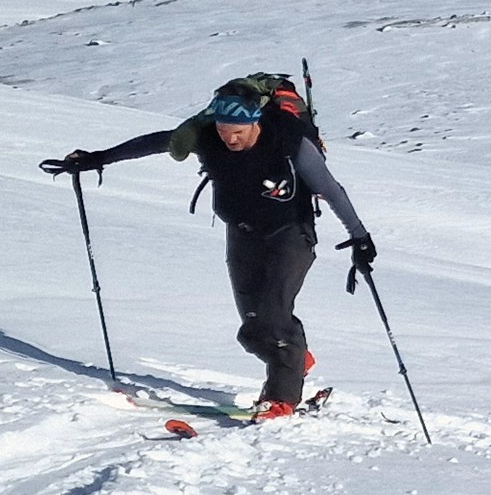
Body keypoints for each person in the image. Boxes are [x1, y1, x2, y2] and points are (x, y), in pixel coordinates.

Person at [43, 77, 376, 420]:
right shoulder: (206, 138)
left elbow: (331, 190)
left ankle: (281, 399)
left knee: (274, 316)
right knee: (253, 328)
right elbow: (155, 142)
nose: (230, 138)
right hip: (242, 233)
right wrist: (99, 158)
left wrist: (359, 237)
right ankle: (294, 357)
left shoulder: (287, 140)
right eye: (222, 129)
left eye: (238, 132)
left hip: (290, 233)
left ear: (255, 122)